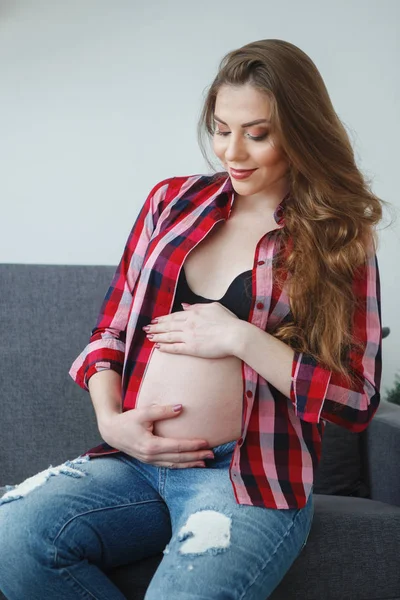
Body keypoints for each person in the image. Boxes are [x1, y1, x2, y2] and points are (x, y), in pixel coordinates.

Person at [0, 38, 384, 600]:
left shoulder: (337, 237)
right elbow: (108, 335)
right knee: (10, 536)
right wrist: (112, 421)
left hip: (247, 477)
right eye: (221, 129)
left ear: (300, 132)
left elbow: (357, 399)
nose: (233, 152)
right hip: (134, 462)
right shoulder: (171, 202)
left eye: (257, 133)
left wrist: (242, 338)